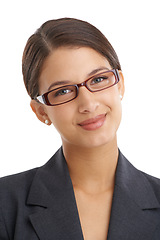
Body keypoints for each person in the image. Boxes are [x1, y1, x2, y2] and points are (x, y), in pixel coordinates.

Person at [0, 18, 160, 240]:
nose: (88, 104)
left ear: (120, 84)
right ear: (41, 112)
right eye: (63, 91)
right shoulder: (5, 204)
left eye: (99, 79)